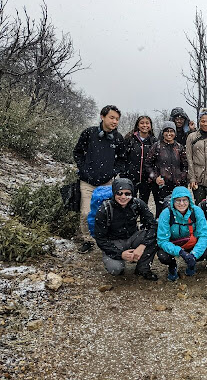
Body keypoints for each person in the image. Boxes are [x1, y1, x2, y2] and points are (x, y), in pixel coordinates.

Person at [73, 104, 126, 253]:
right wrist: (83, 169)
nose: (114, 121)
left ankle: (105, 240)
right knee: (86, 212)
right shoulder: (89, 133)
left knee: (106, 212)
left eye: (117, 119)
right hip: (87, 182)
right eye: (112, 118)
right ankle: (87, 240)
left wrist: (113, 172)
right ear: (102, 117)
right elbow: (78, 152)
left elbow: (122, 159)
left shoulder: (118, 138)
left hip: (107, 183)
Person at [94, 178, 158, 281]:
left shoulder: (137, 204)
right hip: (113, 242)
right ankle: (121, 261)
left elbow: (153, 225)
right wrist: (120, 254)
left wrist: (142, 245)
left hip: (133, 237)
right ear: (114, 193)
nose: (123, 197)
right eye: (119, 193)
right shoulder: (104, 210)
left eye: (127, 194)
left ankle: (143, 268)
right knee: (116, 269)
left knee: (155, 238)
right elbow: (100, 239)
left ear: (132, 193)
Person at [157, 186, 207, 281]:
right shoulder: (166, 214)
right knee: (163, 256)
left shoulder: (197, 211)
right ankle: (172, 266)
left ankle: (191, 264)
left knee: (204, 252)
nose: (182, 203)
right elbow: (162, 240)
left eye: (185, 200)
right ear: (173, 201)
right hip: (173, 243)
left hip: (191, 243)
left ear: (189, 200)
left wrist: (194, 255)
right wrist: (180, 252)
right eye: (178, 200)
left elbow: (204, 235)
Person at [144, 121, 188, 218]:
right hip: (160, 185)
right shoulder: (157, 146)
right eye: (166, 131)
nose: (169, 134)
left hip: (176, 185)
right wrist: (155, 178)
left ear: (175, 133)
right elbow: (147, 164)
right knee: (161, 211)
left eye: (171, 131)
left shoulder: (179, 147)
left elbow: (185, 166)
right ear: (162, 133)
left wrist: (181, 178)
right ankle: (161, 231)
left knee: (177, 210)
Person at [122, 116, 156, 204]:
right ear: (137, 125)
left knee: (143, 203)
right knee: (129, 203)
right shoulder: (130, 139)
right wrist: (124, 173)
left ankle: (142, 218)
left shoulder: (153, 141)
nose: (145, 125)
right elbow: (123, 157)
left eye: (147, 123)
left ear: (151, 126)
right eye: (142, 123)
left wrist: (152, 175)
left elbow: (156, 160)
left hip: (147, 179)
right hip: (130, 178)